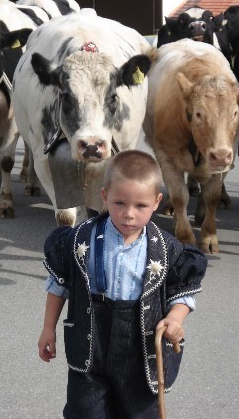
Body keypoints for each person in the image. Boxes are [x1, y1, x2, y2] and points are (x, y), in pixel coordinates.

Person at [37, 150, 207, 418]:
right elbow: (59, 284)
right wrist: (48, 328)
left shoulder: (166, 249)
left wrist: (175, 319)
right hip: (91, 346)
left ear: (156, 202)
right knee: (85, 412)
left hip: (140, 353)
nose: (129, 214)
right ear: (104, 197)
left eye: (140, 206)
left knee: (138, 413)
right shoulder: (81, 238)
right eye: (119, 203)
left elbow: (182, 292)